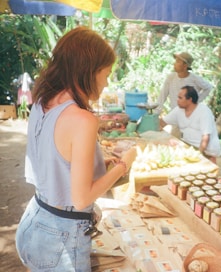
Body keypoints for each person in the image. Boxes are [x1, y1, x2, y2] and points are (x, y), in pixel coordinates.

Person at [15, 27, 136, 271]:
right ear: (89, 71)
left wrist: (100, 164)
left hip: (34, 219)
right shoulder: (83, 119)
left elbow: (57, 158)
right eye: (107, 73)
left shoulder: (42, 101)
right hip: (61, 237)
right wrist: (125, 163)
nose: (107, 82)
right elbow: (82, 199)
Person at [160, 85, 221, 163]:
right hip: (189, 148)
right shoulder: (178, 110)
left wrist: (199, 155)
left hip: (207, 153)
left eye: (180, 98)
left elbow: (206, 137)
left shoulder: (204, 111)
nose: (177, 100)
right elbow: (162, 123)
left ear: (189, 99)